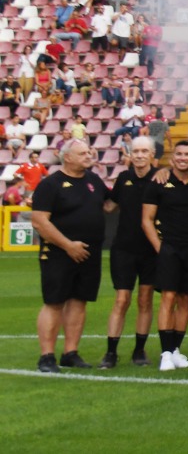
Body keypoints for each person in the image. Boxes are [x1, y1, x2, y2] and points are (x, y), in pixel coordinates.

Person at [32, 138, 109, 372]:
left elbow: (111, 204)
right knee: (54, 302)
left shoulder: (93, 181)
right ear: (68, 157)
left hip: (89, 252)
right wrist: (67, 245)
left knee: (79, 300)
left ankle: (70, 352)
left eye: (89, 151)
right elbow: (39, 221)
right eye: (83, 153)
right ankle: (46, 356)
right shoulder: (50, 184)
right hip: (58, 252)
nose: (89, 156)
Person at [141, 139, 188, 370]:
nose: (183, 158)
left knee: (186, 299)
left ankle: (176, 350)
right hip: (169, 247)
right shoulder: (159, 181)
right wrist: (160, 247)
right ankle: (166, 353)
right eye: (179, 154)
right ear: (173, 158)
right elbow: (146, 220)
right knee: (168, 298)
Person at [101, 136, 159, 368]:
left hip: (150, 250)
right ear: (130, 154)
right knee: (121, 300)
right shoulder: (123, 178)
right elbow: (109, 205)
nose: (140, 155)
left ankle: (139, 350)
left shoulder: (161, 177)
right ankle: (111, 352)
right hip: (124, 249)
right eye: (136, 151)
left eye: (145, 151)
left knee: (145, 300)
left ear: (152, 154)